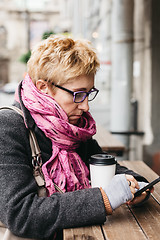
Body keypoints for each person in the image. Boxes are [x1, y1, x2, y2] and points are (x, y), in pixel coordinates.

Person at [0, 35, 152, 240]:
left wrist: (139, 185)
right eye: (78, 94)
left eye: (89, 93)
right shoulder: (9, 126)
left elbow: (105, 165)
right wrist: (104, 199)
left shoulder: (72, 127)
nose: (85, 106)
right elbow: (21, 215)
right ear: (44, 87)